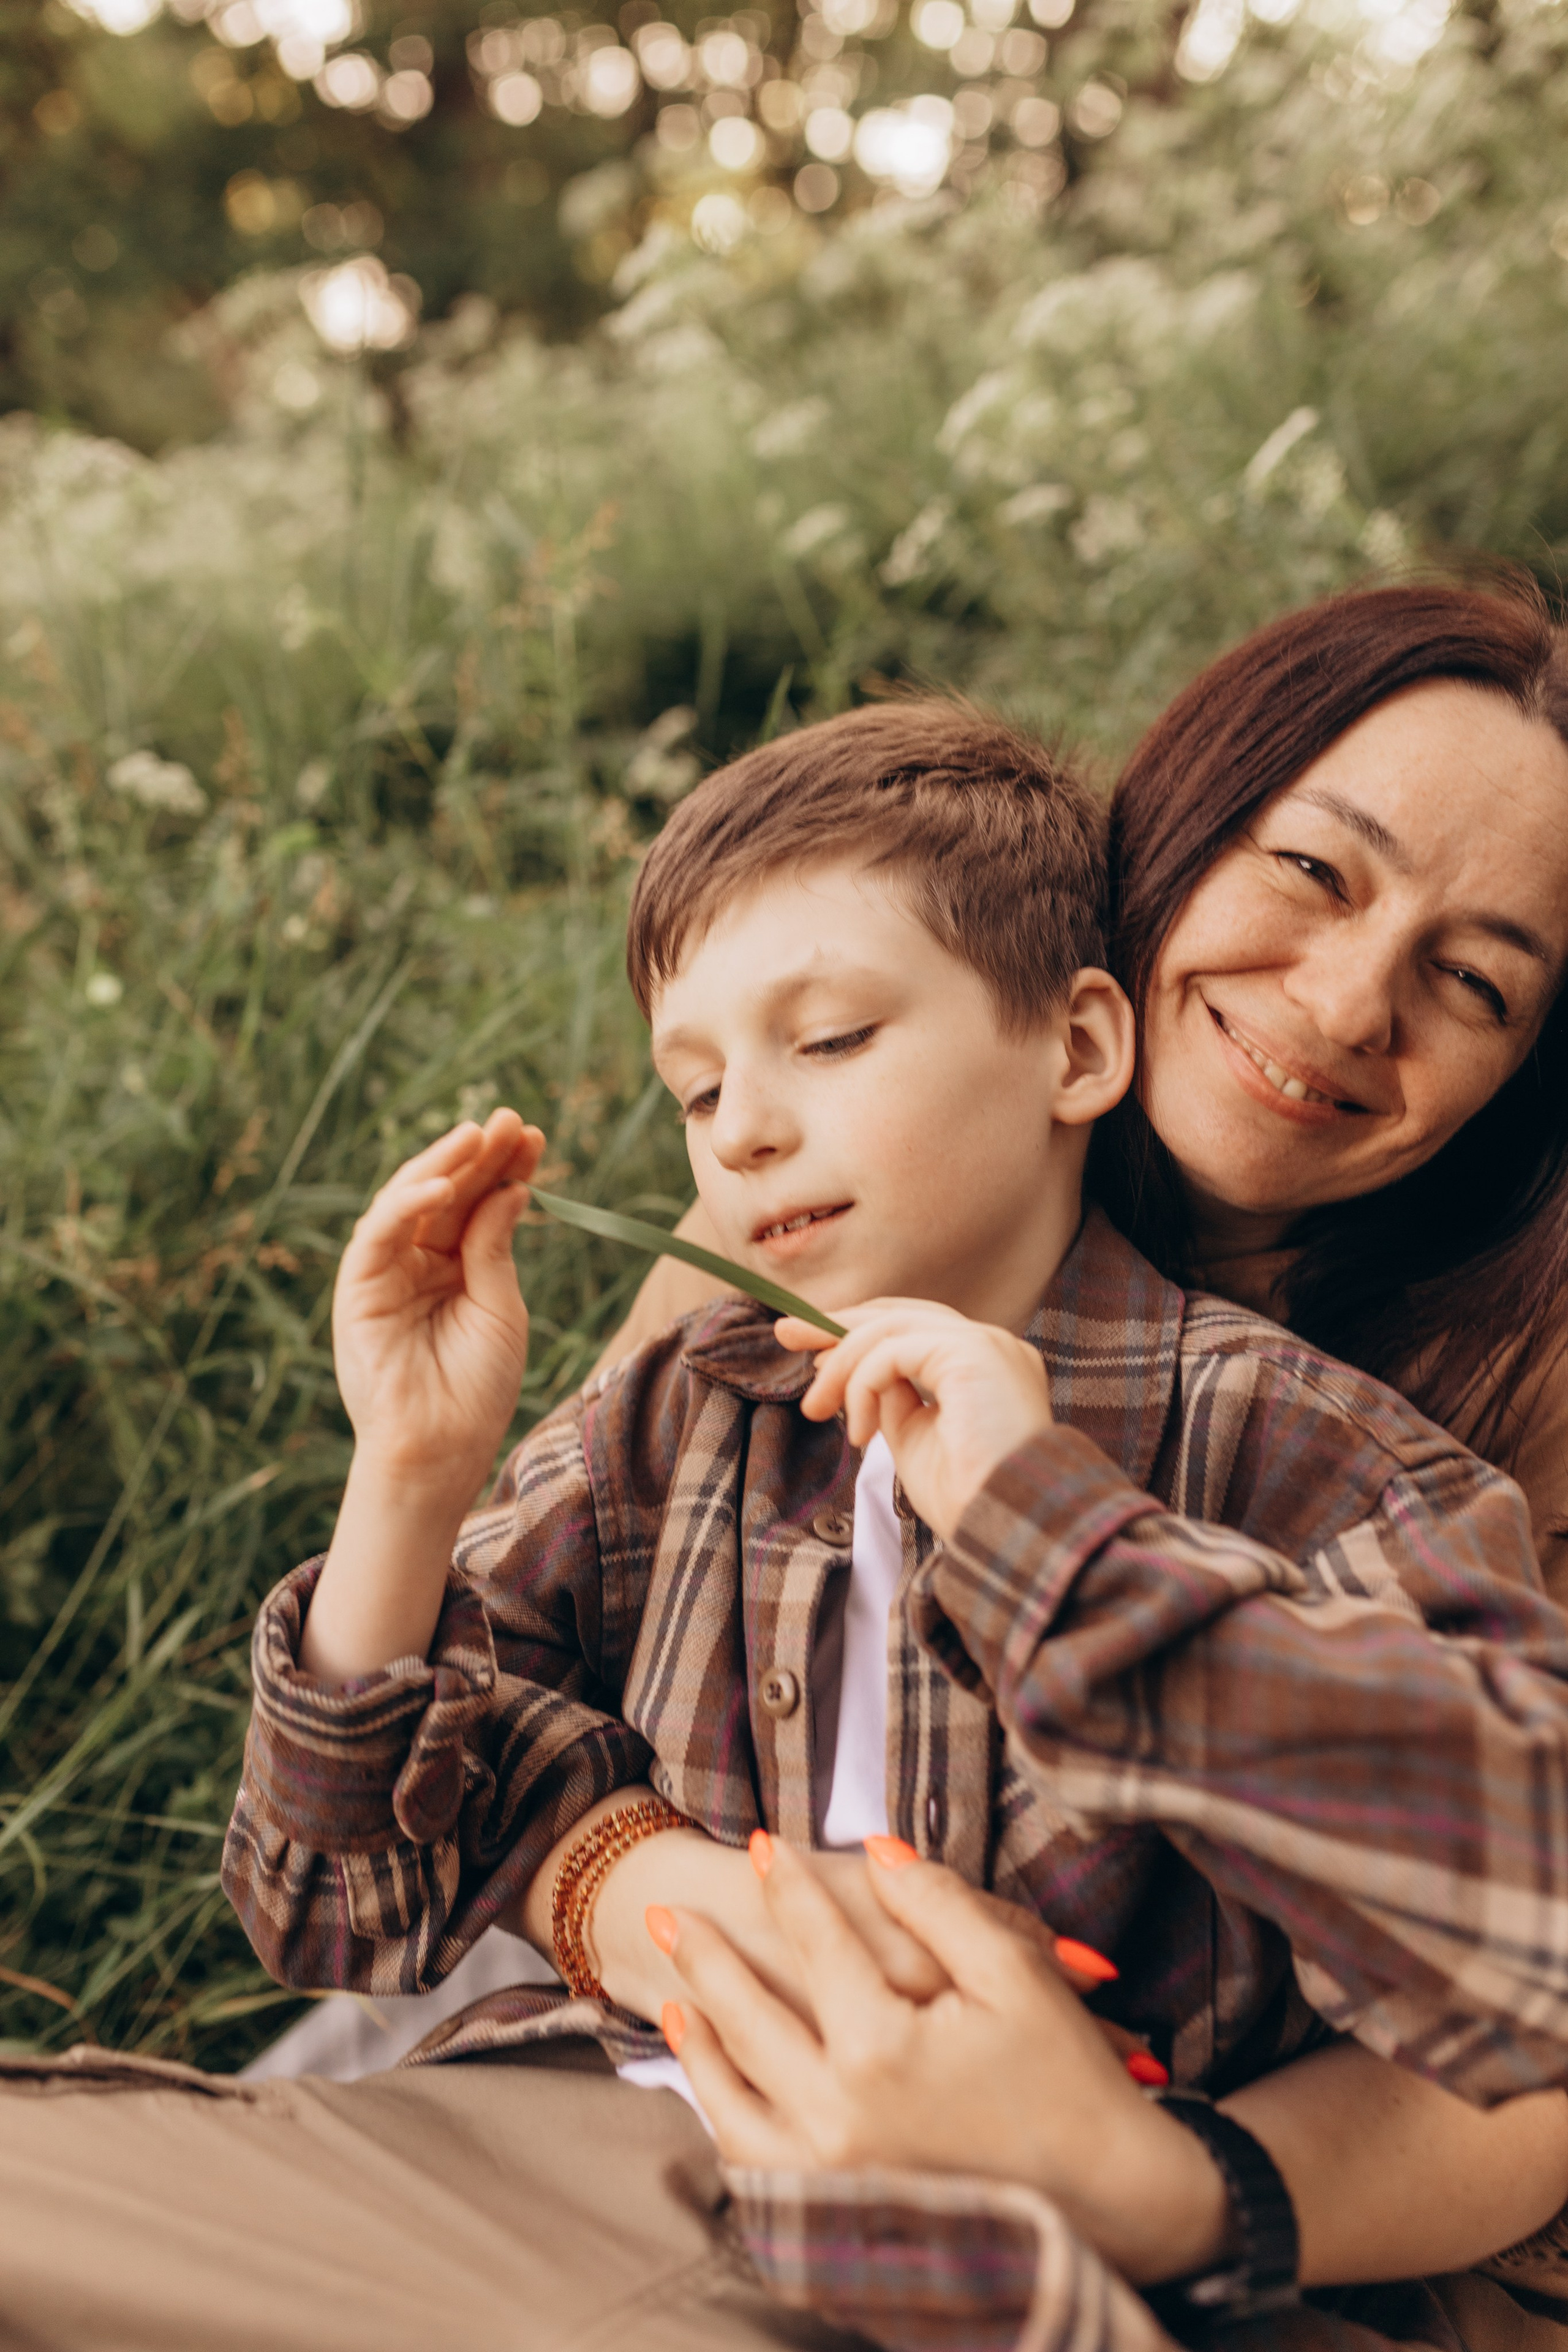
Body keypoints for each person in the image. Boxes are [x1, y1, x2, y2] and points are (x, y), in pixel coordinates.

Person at [3, 684, 1567, 2352]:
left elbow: (1525, 1913)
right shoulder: (707, 1395)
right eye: (695, 1090)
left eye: (825, 1043)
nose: (743, 1123)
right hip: (599, 2145)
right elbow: (333, 1890)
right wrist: (409, 1479)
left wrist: (1045, 1531)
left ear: (1076, 1044)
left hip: (1029, 2271)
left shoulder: (1315, 1446)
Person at [605, 581, 1568, 2345]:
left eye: (1477, 981)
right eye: (1312, 872)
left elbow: (1545, 2045)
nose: (1348, 1001)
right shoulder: (851, 1160)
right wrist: (665, 1903)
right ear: (1185, 821)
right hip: (696, 2072)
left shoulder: (1469, 1424)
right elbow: (555, 1627)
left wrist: (1133, 2175)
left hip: (1288, 2229)